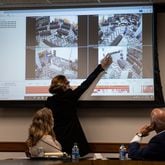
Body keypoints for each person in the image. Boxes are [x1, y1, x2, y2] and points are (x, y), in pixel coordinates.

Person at [45, 54, 112, 157]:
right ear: (64, 86)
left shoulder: (49, 101)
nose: (70, 85)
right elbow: (87, 83)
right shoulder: (71, 96)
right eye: (68, 84)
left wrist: (69, 90)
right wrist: (101, 67)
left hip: (57, 138)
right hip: (73, 138)